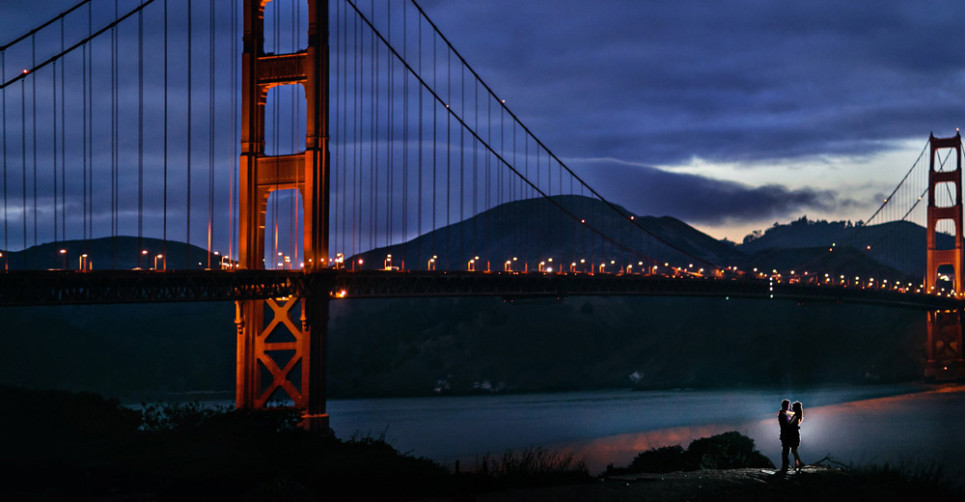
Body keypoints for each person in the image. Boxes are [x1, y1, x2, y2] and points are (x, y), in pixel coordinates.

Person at [787, 401, 805, 471]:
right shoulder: (797, 415)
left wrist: (786, 418)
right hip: (795, 434)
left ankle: (800, 463)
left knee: (794, 450)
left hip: (794, 435)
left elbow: (790, 423)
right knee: (794, 450)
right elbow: (791, 413)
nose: (791, 408)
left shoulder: (795, 416)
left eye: (792, 407)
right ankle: (796, 465)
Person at [777, 399, 792, 472]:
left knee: (786, 449)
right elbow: (786, 424)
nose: (788, 407)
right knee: (786, 450)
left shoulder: (782, 413)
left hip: (784, 433)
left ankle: (785, 465)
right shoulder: (782, 414)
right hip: (785, 434)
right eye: (788, 405)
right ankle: (785, 465)